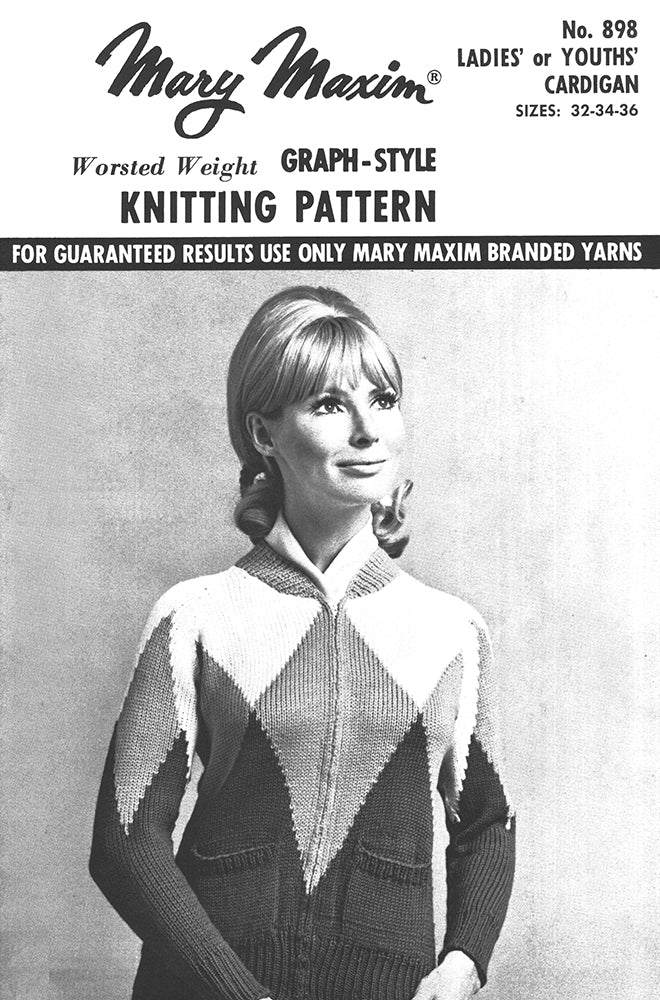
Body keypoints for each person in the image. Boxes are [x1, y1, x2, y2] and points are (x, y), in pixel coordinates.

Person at [90, 285, 515, 1000]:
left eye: (383, 399)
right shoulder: (195, 617)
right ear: (263, 434)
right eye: (328, 405)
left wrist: (464, 963)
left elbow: (487, 825)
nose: (367, 431)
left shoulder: (454, 632)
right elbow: (125, 842)